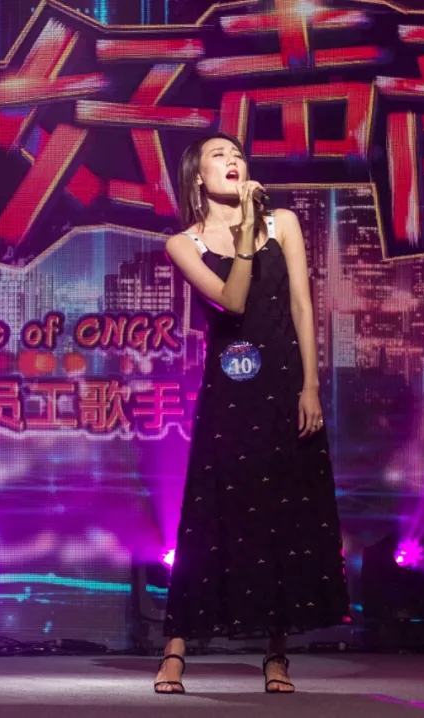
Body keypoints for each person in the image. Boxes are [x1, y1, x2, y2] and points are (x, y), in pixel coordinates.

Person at [152, 132, 350, 695]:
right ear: (198, 176)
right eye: (219, 156)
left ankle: (277, 655)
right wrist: (241, 240)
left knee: (285, 516)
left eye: (237, 154)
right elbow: (232, 301)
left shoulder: (282, 223)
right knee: (210, 514)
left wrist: (311, 386)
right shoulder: (183, 243)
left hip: (285, 385)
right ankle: (174, 651)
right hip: (231, 393)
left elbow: (302, 307)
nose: (233, 161)